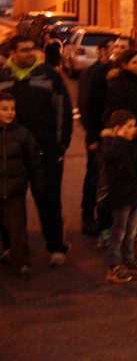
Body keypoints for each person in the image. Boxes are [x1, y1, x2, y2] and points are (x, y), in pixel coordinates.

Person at [0, 35, 72, 267]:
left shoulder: (49, 75)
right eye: (24, 50)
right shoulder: (2, 76)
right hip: (11, 153)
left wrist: (61, 145)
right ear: (12, 53)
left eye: (32, 48)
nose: (30, 53)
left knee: (48, 199)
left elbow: (63, 110)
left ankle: (56, 246)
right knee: (11, 202)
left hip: (46, 151)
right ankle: (12, 247)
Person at [100, 109, 137, 282]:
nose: (132, 130)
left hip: (134, 193)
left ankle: (128, 259)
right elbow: (110, 157)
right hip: (121, 195)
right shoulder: (111, 145)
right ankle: (114, 265)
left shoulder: (133, 144)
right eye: (128, 127)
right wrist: (120, 138)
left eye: (133, 126)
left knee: (130, 231)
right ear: (117, 129)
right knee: (119, 231)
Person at [0, 92, 45, 280]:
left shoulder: (22, 134)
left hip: (14, 190)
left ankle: (22, 263)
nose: (10, 112)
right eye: (4, 109)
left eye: (12, 108)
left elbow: (34, 162)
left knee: (17, 229)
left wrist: (38, 185)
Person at [78, 37, 113, 236]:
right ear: (102, 51)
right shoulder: (92, 72)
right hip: (97, 134)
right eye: (114, 48)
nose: (117, 52)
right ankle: (88, 216)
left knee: (110, 177)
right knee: (94, 175)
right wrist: (92, 136)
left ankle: (108, 216)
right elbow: (86, 106)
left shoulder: (117, 72)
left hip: (114, 134)